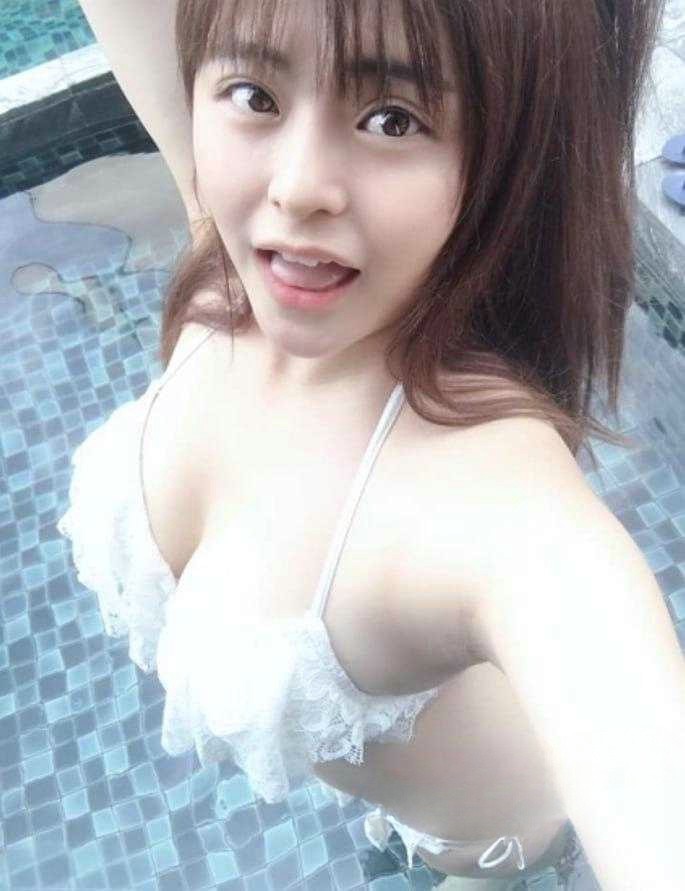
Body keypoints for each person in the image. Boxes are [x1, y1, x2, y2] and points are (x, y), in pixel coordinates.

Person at [58, 1, 685, 888]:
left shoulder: (491, 505)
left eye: (393, 119)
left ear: (505, 160)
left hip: (498, 851)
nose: (297, 186)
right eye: (256, 95)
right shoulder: (227, 256)